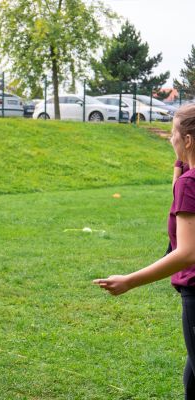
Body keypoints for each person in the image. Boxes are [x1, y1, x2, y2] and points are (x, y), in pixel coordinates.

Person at [94, 104, 195, 398]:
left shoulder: (189, 184)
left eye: (173, 133)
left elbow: (188, 253)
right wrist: (181, 164)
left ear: (187, 139)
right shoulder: (188, 177)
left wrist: (130, 280)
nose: (170, 139)